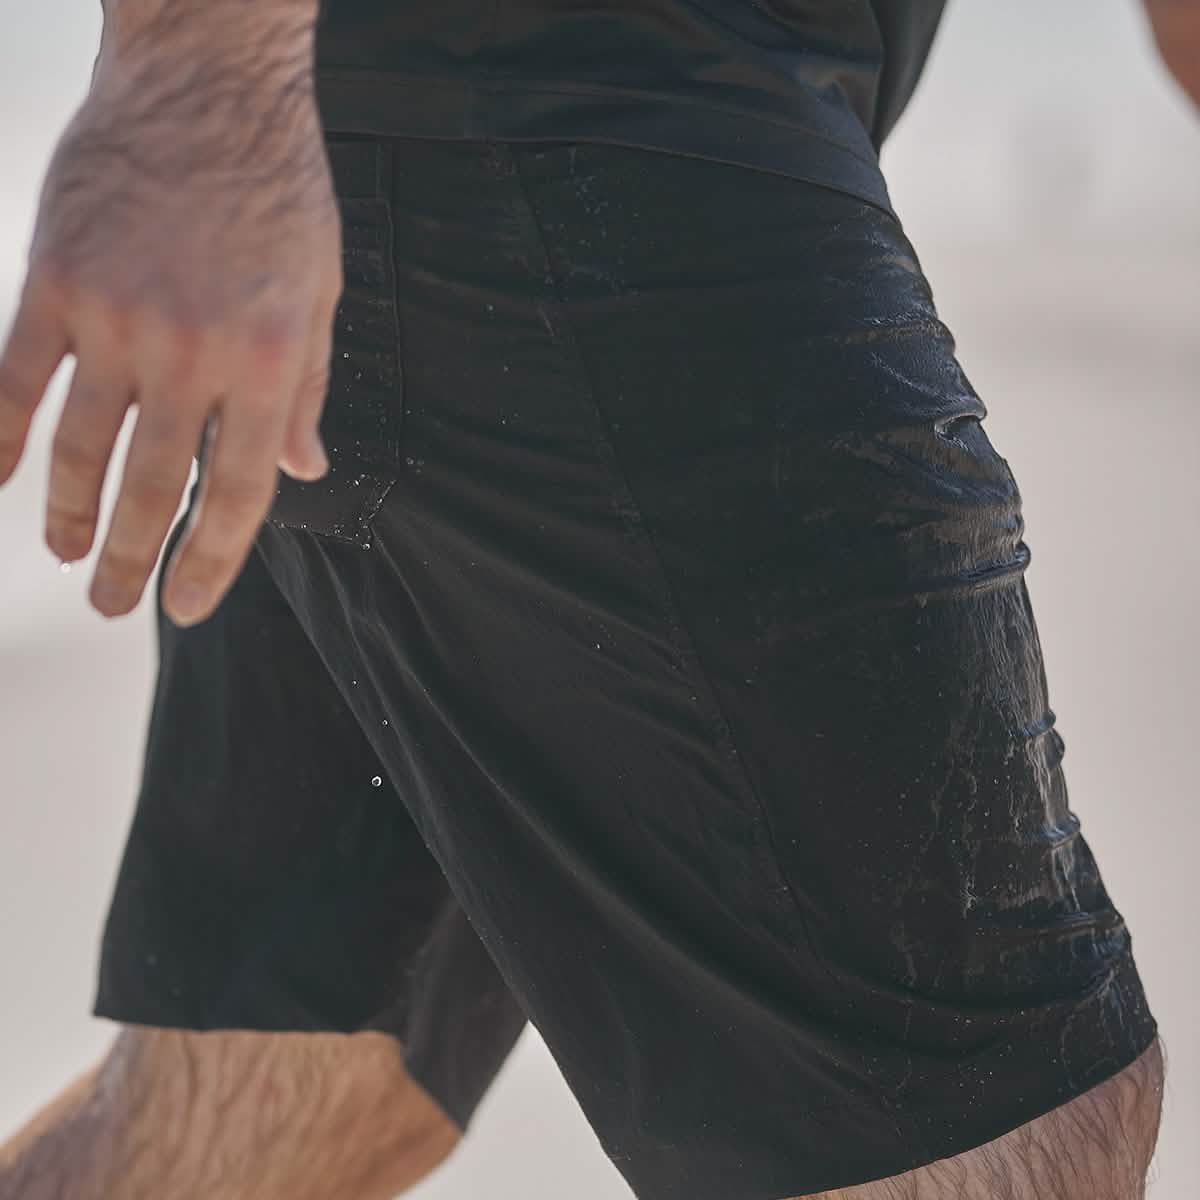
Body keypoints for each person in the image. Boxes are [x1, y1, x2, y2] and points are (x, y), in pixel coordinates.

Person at [0, 1, 1190, 1197]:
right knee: (986, 1122)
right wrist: (199, 79)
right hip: (585, 134)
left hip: (435, 159)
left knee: (282, 1100)